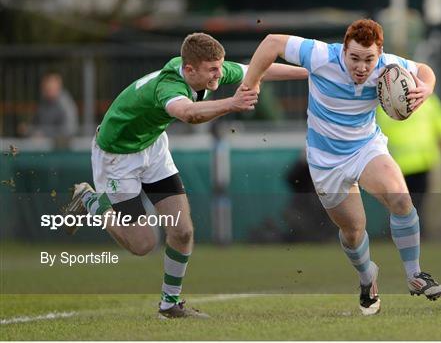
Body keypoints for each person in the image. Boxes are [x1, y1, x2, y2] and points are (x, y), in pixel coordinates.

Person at [64, 32, 308, 319]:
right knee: (143, 244)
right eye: (212, 70)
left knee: (183, 231)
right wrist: (232, 103)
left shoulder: (208, 69)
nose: (219, 75)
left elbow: (259, 70)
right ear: (189, 69)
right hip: (117, 158)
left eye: (220, 67)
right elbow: (189, 113)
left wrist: (311, 71)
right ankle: (91, 200)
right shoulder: (168, 86)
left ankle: (169, 304)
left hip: (152, 148)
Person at [243, 19, 441, 315]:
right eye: (354, 58)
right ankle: (367, 277)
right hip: (326, 162)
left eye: (369, 59)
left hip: (366, 148)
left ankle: (415, 275)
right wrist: (250, 83)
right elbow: (272, 41)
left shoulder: (387, 65)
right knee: (353, 231)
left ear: (379, 54)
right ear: (343, 50)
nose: (362, 67)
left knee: (401, 198)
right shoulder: (320, 55)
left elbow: (424, 70)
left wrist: (426, 88)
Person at [376, 94, 441, 238]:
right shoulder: (426, 99)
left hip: (395, 164)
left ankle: (399, 233)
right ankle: (416, 233)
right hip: (421, 163)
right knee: (416, 204)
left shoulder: (382, 104)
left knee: (399, 204)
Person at [19, 72, 78, 147]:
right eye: (45, 88)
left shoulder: (65, 104)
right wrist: (28, 130)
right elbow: (37, 124)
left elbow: (69, 130)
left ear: (58, 87)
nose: (46, 91)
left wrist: (43, 134)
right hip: (44, 148)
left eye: (49, 88)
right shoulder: (43, 102)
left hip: (62, 149)